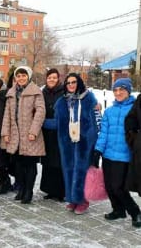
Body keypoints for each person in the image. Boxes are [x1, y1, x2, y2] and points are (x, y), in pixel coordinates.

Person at [94, 78, 141, 227]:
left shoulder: (135, 109)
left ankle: (135, 212)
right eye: (115, 90)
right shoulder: (109, 111)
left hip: (125, 155)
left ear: (128, 90)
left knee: (118, 187)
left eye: (122, 89)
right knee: (109, 186)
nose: (118, 93)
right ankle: (118, 210)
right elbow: (104, 133)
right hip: (108, 155)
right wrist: (98, 150)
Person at [1, 66, 45, 204]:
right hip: (15, 134)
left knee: (30, 164)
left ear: (29, 76)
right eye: (18, 76)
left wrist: (33, 131)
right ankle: (21, 188)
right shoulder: (11, 93)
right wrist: (5, 133)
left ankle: (28, 191)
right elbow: (7, 114)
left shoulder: (35, 92)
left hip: (29, 134)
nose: (21, 78)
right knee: (18, 164)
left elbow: (40, 112)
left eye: (23, 75)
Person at [55, 73, 98, 214]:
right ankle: (72, 198)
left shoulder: (88, 98)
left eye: (73, 82)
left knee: (81, 170)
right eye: (68, 83)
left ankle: (82, 200)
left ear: (78, 83)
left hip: (84, 141)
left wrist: (93, 139)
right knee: (68, 169)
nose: (71, 85)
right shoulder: (62, 101)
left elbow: (96, 121)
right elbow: (57, 122)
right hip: (67, 141)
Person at [40, 68, 65, 201]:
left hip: (59, 132)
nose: (51, 80)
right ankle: (49, 190)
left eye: (54, 78)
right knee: (48, 162)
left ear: (58, 79)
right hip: (46, 133)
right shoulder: (43, 92)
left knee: (58, 162)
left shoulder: (63, 92)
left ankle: (60, 191)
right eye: (49, 77)